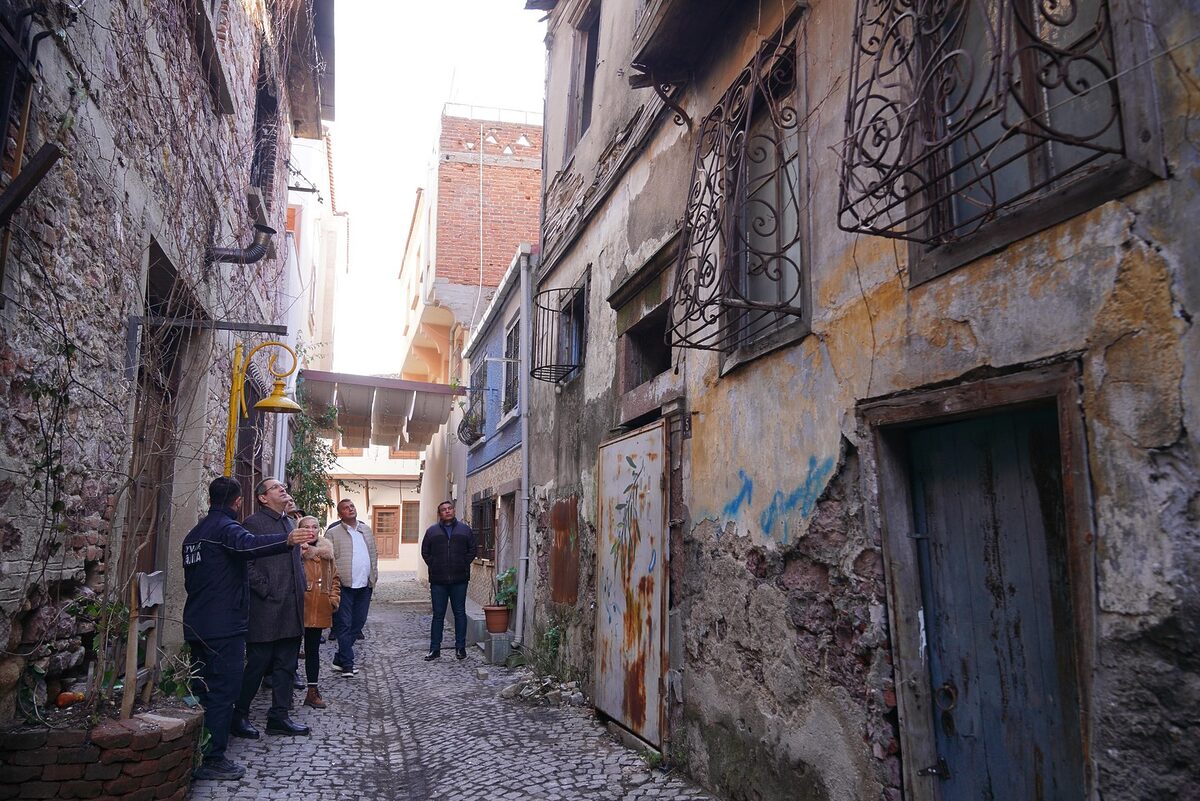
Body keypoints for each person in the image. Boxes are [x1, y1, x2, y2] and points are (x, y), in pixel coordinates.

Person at [182, 477, 310, 781]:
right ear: (239, 501)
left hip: (198, 621)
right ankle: (213, 757)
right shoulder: (229, 529)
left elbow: (191, 582)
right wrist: (287, 542)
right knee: (223, 691)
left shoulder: (193, 534)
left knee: (202, 689)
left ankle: (198, 750)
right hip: (223, 625)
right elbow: (248, 546)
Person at [232, 477, 310, 737]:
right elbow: (245, 563)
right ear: (263, 498)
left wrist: (302, 585)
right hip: (266, 608)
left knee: (286, 665)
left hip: (291, 606)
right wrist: (266, 589)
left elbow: (296, 561)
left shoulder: (289, 522)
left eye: (283, 487)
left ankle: (279, 716)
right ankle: (239, 714)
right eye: (276, 487)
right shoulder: (252, 524)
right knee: (257, 664)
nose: (283, 489)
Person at [325, 498, 378, 677]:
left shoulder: (366, 530)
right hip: (344, 585)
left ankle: (339, 657)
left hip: (364, 584)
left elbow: (373, 555)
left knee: (359, 622)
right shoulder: (333, 533)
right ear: (340, 514)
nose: (350, 509)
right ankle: (348, 664)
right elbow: (328, 561)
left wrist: (374, 576)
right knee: (344, 624)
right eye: (346, 508)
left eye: (352, 506)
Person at [421, 500, 476, 660]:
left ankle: (460, 648)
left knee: (460, 613)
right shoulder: (432, 532)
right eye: (444, 509)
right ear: (440, 513)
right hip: (438, 580)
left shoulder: (465, 530)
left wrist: (463, 563)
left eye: (450, 508)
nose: (447, 511)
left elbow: (472, 549)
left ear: (453, 510)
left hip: (459, 579)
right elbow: (425, 551)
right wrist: (435, 565)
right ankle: (435, 649)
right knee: (438, 615)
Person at [296, 515, 340, 708]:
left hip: (319, 608)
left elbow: (335, 579)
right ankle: (284, 694)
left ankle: (312, 692)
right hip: (297, 608)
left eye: (314, 527)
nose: (311, 530)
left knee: (313, 652)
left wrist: (333, 600)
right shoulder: (293, 551)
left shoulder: (326, 554)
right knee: (289, 653)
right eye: (306, 527)